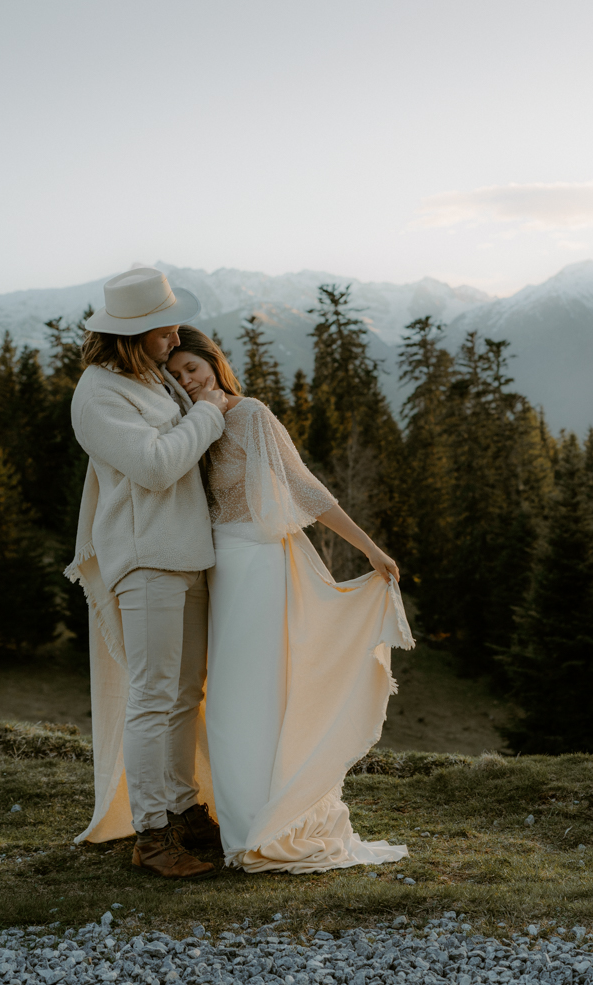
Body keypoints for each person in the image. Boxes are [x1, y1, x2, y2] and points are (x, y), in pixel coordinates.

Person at [166, 325, 413, 873]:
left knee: (255, 692)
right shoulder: (190, 424)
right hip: (218, 569)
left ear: (213, 361)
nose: (187, 380)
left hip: (259, 565)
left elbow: (306, 489)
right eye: (177, 375)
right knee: (226, 698)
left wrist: (369, 549)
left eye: (193, 368)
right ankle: (243, 827)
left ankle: (269, 824)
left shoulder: (251, 414)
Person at [65, 268, 240, 879]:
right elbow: (158, 465)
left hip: (185, 555)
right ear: (135, 333)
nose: (175, 337)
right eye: (164, 329)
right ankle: (152, 833)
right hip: (144, 561)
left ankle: (184, 810)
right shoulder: (98, 395)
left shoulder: (150, 375)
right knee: (153, 696)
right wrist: (211, 412)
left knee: (183, 695)